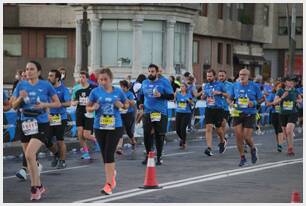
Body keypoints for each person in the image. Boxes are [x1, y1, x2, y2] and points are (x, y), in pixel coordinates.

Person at [11, 60, 61, 200]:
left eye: (32, 69)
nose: (28, 71)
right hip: (25, 123)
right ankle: (39, 186)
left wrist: (44, 104)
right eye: (27, 69)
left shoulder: (46, 85)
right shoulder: (21, 85)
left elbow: (57, 103)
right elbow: (13, 106)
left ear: (38, 72)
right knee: (30, 158)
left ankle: (34, 188)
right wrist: (21, 97)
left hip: (41, 123)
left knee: (29, 154)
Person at [87, 68, 129, 195]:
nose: (103, 82)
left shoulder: (118, 92)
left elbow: (127, 104)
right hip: (99, 126)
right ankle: (112, 174)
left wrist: (121, 105)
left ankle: (109, 184)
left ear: (111, 80)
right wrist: (93, 107)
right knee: (105, 154)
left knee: (109, 153)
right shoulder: (95, 92)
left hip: (115, 126)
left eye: (105, 79)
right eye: (101, 79)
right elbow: (87, 107)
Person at [138, 64, 174, 165]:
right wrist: (140, 103)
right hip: (148, 112)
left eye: (152, 71)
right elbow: (140, 95)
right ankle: (148, 155)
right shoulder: (144, 82)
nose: (150, 73)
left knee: (159, 135)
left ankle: (159, 157)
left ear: (157, 72)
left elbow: (171, 96)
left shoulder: (164, 82)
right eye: (149, 71)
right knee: (147, 134)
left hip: (160, 112)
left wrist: (161, 95)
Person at [229, 68, 264, 167]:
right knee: (238, 137)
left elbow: (262, 98)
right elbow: (230, 98)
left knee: (246, 137)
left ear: (248, 76)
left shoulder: (254, 86)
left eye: (244, 74)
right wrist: (230, 103)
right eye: (240, 74)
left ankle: (253, 148)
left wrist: (254, 103)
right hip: (237, 113)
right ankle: (242, 158)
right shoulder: (235, 86)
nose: (242, 76)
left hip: (250, 113)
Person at [72, 71, 99, 160]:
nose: (81, 79)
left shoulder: (93, 88)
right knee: (80, 133)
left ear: (87, 78)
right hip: (79, 112)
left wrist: (95, 106)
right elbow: (73, 101)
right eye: (80, 77)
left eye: (83, 77)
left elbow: (98, 99)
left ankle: (97, 141)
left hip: (89, 113)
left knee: (86, 135)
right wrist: (75, 102)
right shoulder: (76, 88)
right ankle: (85, 152)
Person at [48, 69, 71, 169]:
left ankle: (62, 160)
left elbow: (69, 103)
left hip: (60, 117)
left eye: (51, 76)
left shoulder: (63, 89)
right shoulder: (47, 88)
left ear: (57, 78)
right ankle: (56, 154)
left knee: (59, 140)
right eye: (48, 75)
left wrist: (58, 104)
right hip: (49, 117)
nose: (49, 78)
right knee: (48, 140)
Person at [273, 76, 302, 156]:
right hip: (282, 114)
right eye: (289, 81)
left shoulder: (295, 91)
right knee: (286, 133)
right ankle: (290, 146)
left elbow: (301, 100)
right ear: (285, 82)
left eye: (292, 82)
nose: (291, 83)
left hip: (293, 113)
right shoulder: (280, 91)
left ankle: (290, 148)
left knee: (289, 130)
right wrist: (282, 97)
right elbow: (274, 102)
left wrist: (297, 101)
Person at [202, 69, 228, 156]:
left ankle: (222, 141)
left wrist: (219, 92)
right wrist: (203, 96)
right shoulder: (206, 85)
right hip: (209, 108)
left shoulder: (220, 84)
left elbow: (227, 95)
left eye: (210, 76)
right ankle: (209, 148)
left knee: (218, 129)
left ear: (214, 76)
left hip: (218, 109)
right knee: (208, 127)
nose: (208, 78)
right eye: (207, 76)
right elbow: (203, 96)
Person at [116, 80, 137, 153]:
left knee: (128, 130)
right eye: (121, 87)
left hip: (128, 114)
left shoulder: (130, 94)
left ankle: (133, 140)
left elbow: (133, 103)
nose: (122, 88)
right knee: (120, 129)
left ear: (126, 87)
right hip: (120, 114)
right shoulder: (119, 93)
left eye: (123, 87)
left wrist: (126, 100)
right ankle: (119, 147)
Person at [265, 82, 284, 152]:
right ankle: (278, 144)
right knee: (276, 130)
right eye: (278, 87)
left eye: (281, 87)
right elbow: (267, 104)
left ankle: (280, 145)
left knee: (280, 129)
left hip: (282, 114)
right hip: (274, 113)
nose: (279, 89)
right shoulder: (272, 94)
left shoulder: (284, 95)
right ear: (275, 87)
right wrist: (273, 104)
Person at [175, 83, 193, 149]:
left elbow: (192, 103)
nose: (181, 87)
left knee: (182, 128)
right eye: (181, 86)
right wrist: (175, 93)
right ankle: (182, 139)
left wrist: (189, 101)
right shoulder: (178, 94)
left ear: (186, 88)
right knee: (177, 129)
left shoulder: (188, 94)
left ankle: (184, 142)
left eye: (183, 86)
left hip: (186, 113)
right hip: (178, 112)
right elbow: (173, 100)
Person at [218, 70, 233, 135]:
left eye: (222, 76)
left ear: (225, 76)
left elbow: (229, 95)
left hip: (226, 107)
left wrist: (220, 93)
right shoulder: (215, 84)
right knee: (218, 125)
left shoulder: (230, 85)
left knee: (223, 123)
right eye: (220, 76)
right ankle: (223, 137)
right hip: (216, 107)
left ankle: (223, 139)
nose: (221, 77)